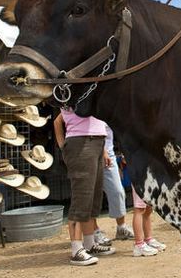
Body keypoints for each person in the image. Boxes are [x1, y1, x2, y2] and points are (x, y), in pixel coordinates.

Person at [54, 110, 116, 266]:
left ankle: (89, 244)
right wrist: (64, 147)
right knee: (82, 196)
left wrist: (103, 150)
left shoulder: (89, 90)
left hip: (97, 142)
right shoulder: (74, 90)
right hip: (80, 142)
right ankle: (76, 249)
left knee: (94, 195)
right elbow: (57, 121)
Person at [92, 124, 134, 244]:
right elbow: (58, 121)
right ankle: (95, 231)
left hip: (109, 154)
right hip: (93, 152)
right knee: (93, 194)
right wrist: (63, 145)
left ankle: (121, 227)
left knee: (117, 191)